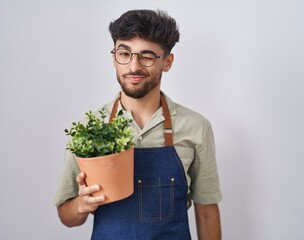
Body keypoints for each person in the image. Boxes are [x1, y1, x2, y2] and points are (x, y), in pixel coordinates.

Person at [54, 9, 222, 240]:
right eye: (125, 53)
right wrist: (82, 205)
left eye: (147, 56)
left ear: (167, 62)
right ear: (114, 58)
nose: (133, 66)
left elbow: (206, 213)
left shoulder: (196, 127)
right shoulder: (87, 131)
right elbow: (66, 216)